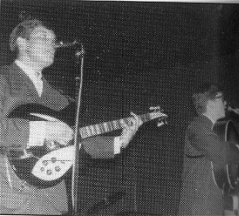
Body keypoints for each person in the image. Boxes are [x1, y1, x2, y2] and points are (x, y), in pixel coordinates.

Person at [0, 18, 142, 215]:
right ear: (22, 43)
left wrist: (120, 142)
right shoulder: (3, 78)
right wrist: (43, 130)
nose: (53, 43)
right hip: (9, 193)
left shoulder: (60, 98)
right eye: (44, 37)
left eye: (54, 38)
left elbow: (75, 138)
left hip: (51, 199)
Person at [178, 83, 239, 215]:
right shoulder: (196, 128)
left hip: (209, 208)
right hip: (197, 210)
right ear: (211, 104)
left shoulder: (215, 131)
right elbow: (219, 152)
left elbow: (217, 176)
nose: (225, 103)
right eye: (221, 99)